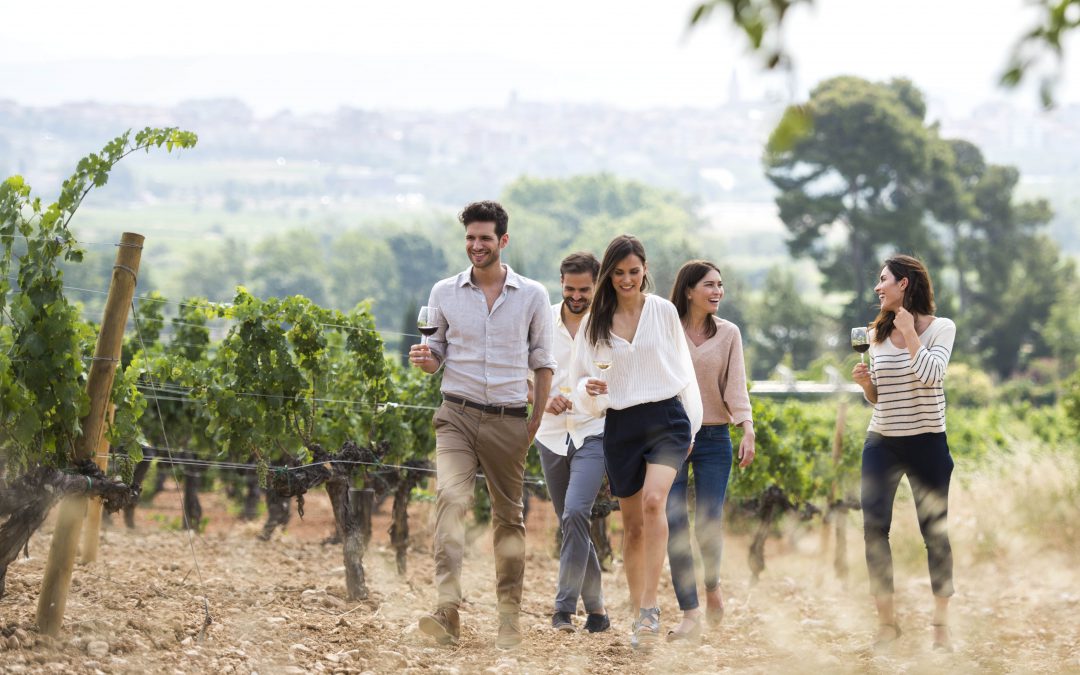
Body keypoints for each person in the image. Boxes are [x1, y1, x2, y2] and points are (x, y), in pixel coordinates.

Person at [409, 200, 556, 650]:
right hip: (455, 413)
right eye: (470, 237)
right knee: (450, 502)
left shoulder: (533, 295)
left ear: (502, 241)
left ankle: (508, 620)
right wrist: (426, 361)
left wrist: (532, 424)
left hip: (509, 419)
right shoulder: (443, 293)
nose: (476, 245)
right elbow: (434, 356)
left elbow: (544, 364)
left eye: (485, 238)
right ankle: (446, 610)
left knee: (508, 519)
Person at [571, 234, 702, 650]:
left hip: (666, 417)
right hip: (621, 424)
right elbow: (578, 380)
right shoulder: (595, 322)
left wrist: (692, 428)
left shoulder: (662, 311)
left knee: (652, 504)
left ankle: (651, 610)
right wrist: (589, 389)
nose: (627, 279)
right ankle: (639, 612)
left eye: (634, 271)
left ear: (645, 269)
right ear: (608, 274)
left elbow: (684, 371)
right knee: (631, 527)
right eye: (619, 273)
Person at [851, 254, 956, 653]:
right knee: (874, 529)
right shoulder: (875, 334)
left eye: (884, 280)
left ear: (904, 284)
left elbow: (932, 376)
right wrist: (865, 386)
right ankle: (887, 624)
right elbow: (880, 397)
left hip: (928, 442)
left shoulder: (940, 328)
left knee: (936, 534)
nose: (878, 288)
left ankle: (941, 628)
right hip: (882, 442)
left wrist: (910, 331)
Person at [664, 260, 755, 641]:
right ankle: (689, 612)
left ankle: (713, 585)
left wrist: (747, 428)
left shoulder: (729, 333)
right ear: (688, 290)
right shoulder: (666, 331)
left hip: (715, 438)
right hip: (669, 438)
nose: (717, 291)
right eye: (709, 285)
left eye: (721, 285)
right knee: (675, 524)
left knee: (709, 519)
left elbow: (736, 386)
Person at [533, 252, 611, 634]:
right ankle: (597, 611)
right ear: (560, 282)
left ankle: (562, 609)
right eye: (569, 289)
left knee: (576, 513)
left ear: (596, 285)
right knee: (572, 522)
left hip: (593, 430)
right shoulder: (542, 320)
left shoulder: (609, 324)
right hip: (549, 433)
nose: (576, 296)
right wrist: (542, 398)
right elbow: (520, 371)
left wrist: (589, 395)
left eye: (583, 290)